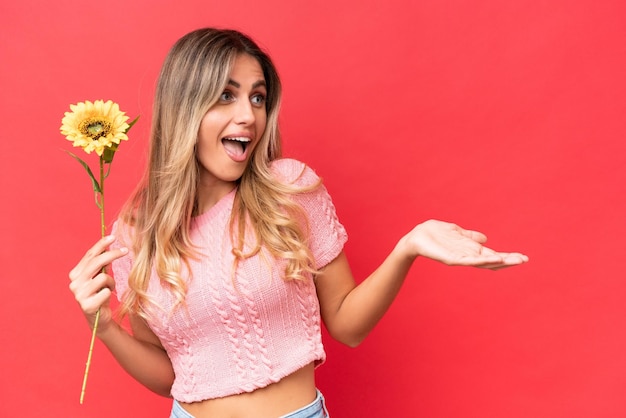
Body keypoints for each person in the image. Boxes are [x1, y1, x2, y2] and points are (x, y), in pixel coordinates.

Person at [68, 27, 528, 418]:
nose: (248, 115)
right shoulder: (134, 234)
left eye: (258, 97)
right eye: (226, 96)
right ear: (183, 109)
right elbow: (172, 376)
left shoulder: (290, 190)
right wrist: (103, 326)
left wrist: (408, 247)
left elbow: (347, 325)